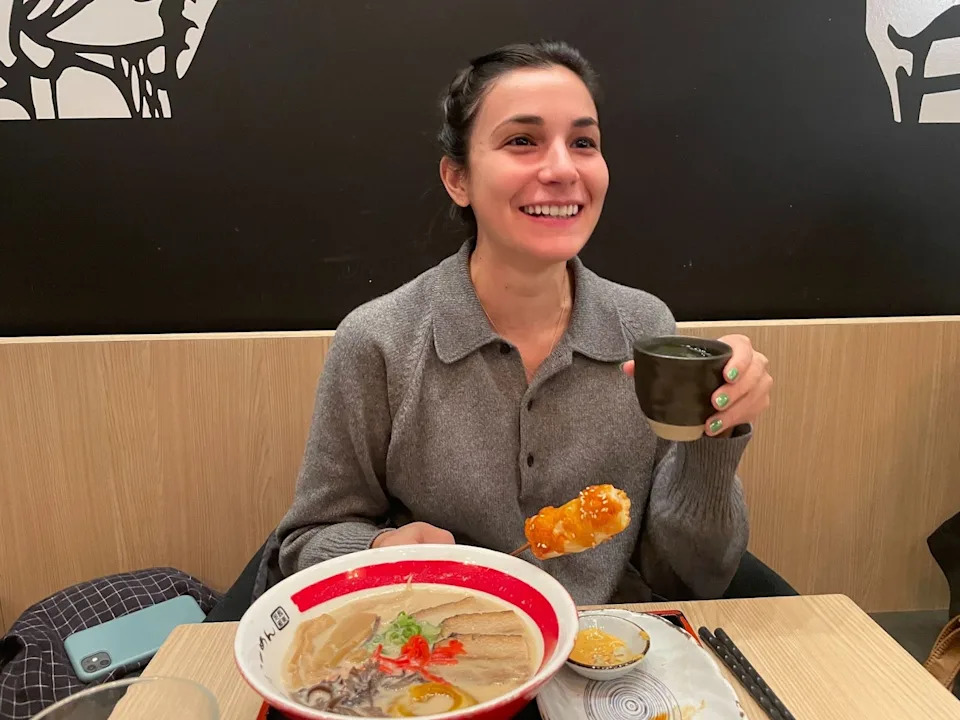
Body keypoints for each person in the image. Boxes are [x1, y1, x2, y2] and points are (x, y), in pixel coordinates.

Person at [275, 40, 775, 606]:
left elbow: (692, 577)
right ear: (457, 179)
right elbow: (302, 544)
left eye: (583, 142)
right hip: (440, 656)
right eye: (522, 141)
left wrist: (716, 434)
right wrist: (379, 549)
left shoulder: (644, 326)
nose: (563, 169)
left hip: (603, 661)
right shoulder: (380, 341)